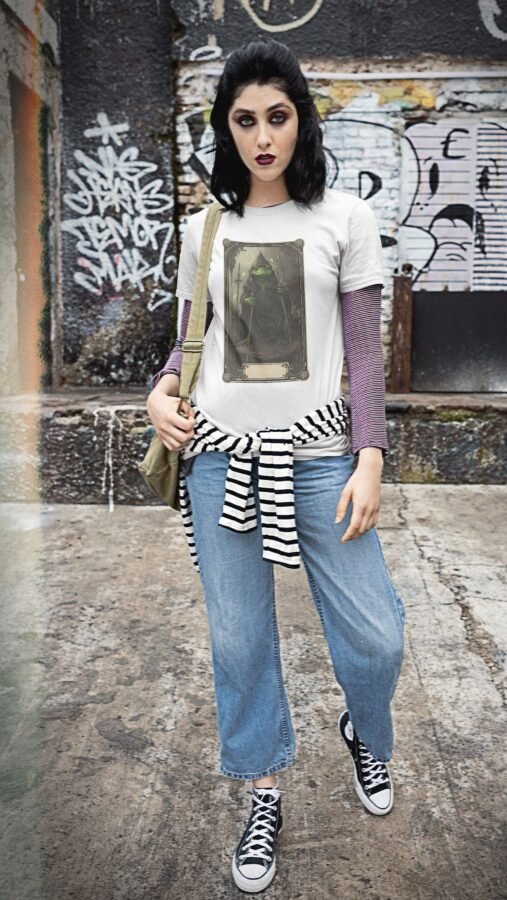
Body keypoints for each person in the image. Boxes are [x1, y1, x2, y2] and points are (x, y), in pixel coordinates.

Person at [146, 37, 406, 894]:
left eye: (279, 117)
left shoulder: (345, 219)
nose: (264, 136)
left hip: (323, 459)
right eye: (245, 120)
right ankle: (262, 789)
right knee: (240, 641)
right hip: (222, 458)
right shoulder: (206, 228)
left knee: (376, 636)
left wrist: (370, 457)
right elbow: (188, 345)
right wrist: (159, 397)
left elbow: (364, 356)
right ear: (226, 128)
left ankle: (365, 729)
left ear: (302, 120)